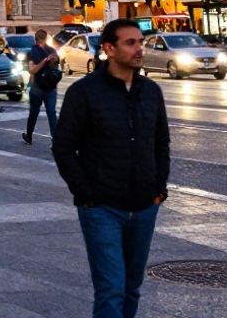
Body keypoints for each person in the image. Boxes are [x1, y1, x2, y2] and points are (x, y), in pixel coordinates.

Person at [52, 19, 169, 318]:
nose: (139, 48)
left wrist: (158, 189)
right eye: (130, 43)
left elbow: (161, 143)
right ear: (109, 49)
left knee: (132, 287)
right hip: (102, 207)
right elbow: (64, 147)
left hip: (144, 205)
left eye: (140, 42)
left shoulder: (151, 91)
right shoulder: (84, 92)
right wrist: (85, 193)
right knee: (111, 288)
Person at [23, 29, 61, 145]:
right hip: (49, 87)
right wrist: (46, 61)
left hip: (39, 87)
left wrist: (48, 61)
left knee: (35, 112)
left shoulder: (32, 52)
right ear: (46, 38)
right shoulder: (51, 51)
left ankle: (29, 136)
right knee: (51, 113)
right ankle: (55, 140)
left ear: (36, 39)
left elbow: (32, 70)